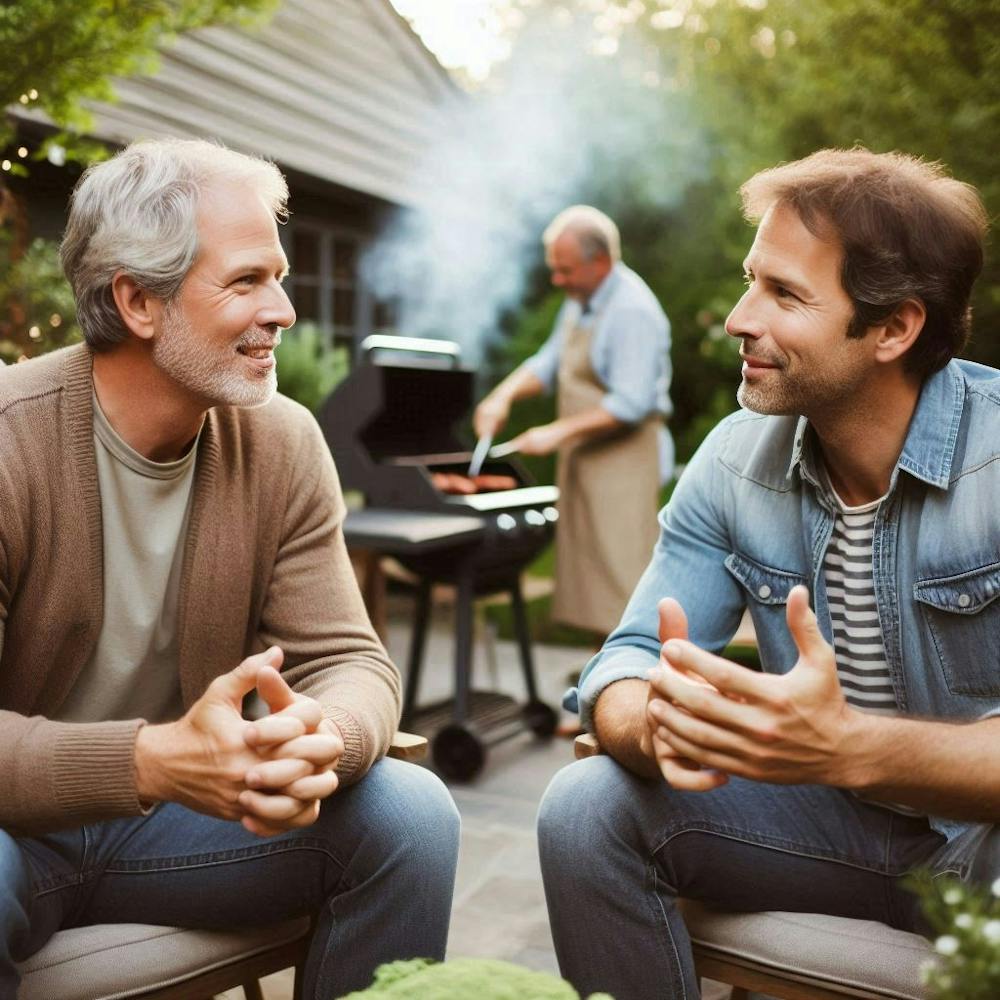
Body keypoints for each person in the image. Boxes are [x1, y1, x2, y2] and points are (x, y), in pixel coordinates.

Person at [0, 138, 460, 1000]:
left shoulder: (282, 441)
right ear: (137, 300)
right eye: (247, 281)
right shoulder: (9, 443)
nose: (284, 310)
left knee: (412, 815)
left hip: (185, 829)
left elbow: (351, 661)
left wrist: (323, 736)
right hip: (14, 833)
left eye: (279, 277)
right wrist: (150, 760)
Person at [537, 148, 999, 1000]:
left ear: (894, 328)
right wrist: (658, 724)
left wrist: (850, 747)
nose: (739, 318)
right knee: (585, 805)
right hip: (834, 834)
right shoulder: (734, 460)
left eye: (785, 295)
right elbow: (627, 658)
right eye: (753, 281)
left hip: (988, 848)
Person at [474, 206, 673, 638]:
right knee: (594, 584)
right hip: (590, 461)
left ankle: (639, 687)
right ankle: (601, 681)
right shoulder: (580, 302)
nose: (557, 280)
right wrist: (501, 395)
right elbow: (548, 363)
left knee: (625, 581)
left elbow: (632, 403)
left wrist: (554, 433)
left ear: (598, 262)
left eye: (565, 270)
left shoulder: (631, 311)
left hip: (624, 464)